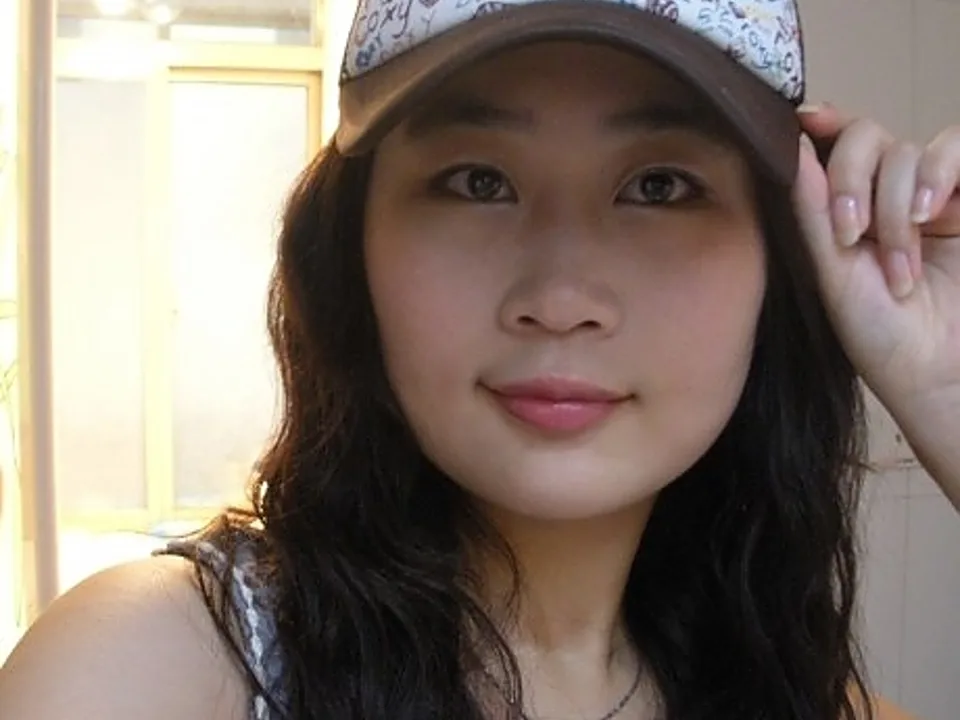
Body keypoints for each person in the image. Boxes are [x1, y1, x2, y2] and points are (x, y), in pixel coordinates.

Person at [1, 0, 958, 718]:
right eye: (478, 181)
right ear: (351, 248)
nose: (561, 298)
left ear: (782, 261)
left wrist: (947, 394)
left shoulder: (804, 700)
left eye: (659, 187)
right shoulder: (155, 671)